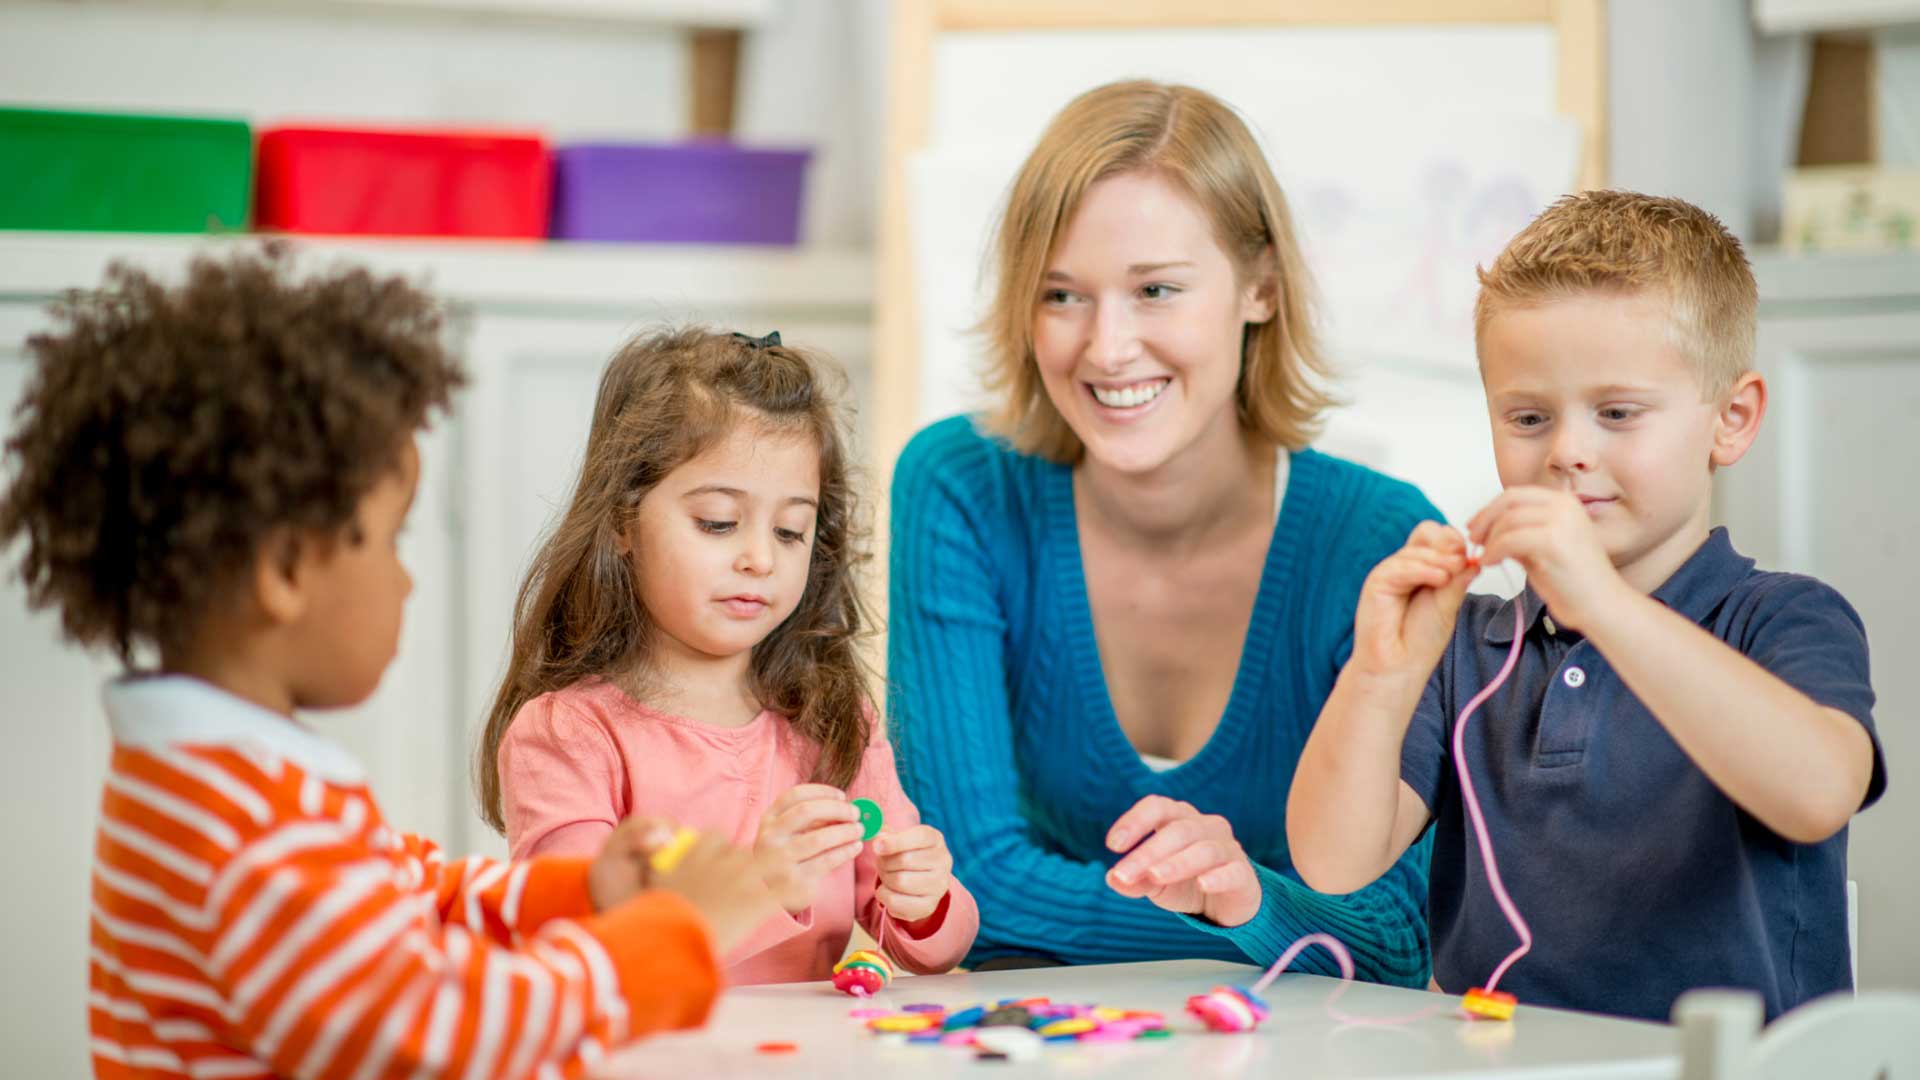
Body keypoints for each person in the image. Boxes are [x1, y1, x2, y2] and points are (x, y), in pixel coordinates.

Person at [0, 248, 777, 1078]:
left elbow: (412, 892)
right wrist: (672, 939)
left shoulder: (230, 782)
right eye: (390, 538)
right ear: (288, 572)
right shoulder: (246, 841)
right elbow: (445, 1033)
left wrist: (582, 893)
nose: (406, 578)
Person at [887, 79, 1441, 982]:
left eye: (1155, 290)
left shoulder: (1383, 543)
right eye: (1062, 295)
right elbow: (965, 892)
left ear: (1259, 287)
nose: (1106, 348)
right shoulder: (960, 488)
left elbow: (1398, 938)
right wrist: (1260, 920)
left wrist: (1247, 897)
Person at [1284, 191, 1885, 1021]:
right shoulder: (1468, 649)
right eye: (1528, 417)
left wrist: (1601, 603)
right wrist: (1381, 677)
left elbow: (1818, 793)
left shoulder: (1784, 620)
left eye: (1617, 413)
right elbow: (1332, 861)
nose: (1567, 452)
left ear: (1732, 419)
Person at [482, 327, 978, 984]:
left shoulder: (834, 720)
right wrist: (759, 884)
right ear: (623, 523)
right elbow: (585, 958)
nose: (760, 558)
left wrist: (924, 899)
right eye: (718, 522)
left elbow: (929, 947)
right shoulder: (568, 735)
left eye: (791, 531)